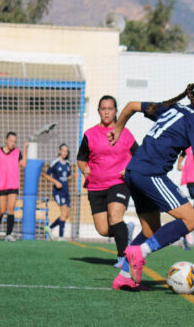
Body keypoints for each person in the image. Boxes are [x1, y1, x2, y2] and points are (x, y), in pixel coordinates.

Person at [109, 83, 194, 291]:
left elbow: (131, 105)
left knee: (150, 228)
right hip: (150, 173)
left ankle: (125, 276)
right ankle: (140, 252)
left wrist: (118, 129)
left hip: (133, 172)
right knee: (191, 219)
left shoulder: (173, 108)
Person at [77, 95, 138, 268]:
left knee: (115, 216)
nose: (106, 112)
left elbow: (139, 155)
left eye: (109, 108)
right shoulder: (90, 134)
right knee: (103, 230)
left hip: (118, 182)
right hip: (95, 186)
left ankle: (122, 258)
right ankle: (125, 231)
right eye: (103, 109)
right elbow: (81, 158)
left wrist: (130, 169)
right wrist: (83, 169)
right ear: (98, 111)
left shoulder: (125, 134)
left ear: (116, 111)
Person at [0, 132, 28, 242]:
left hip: (13, 185)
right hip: (1, 185)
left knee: (11, 209)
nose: (13, 143)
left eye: (15, 141)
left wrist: (25, 149)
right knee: (2, 210)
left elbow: (24, 164)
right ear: (6, 140)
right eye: (11, 141)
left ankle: (8, 234)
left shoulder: (17, 152)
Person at [43, 144, 72, 241]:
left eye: (66, 151)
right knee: (63, 212)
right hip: (58, 192)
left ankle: (50, 228)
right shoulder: (55, 162)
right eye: (63, 151)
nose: (65, 153)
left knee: (66, 214)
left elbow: (66, 177)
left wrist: (73, 176)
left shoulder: (68, 163)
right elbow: (46, 175)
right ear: (59, 151)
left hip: (66, 191)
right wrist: (55, 182)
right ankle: (61, 237)